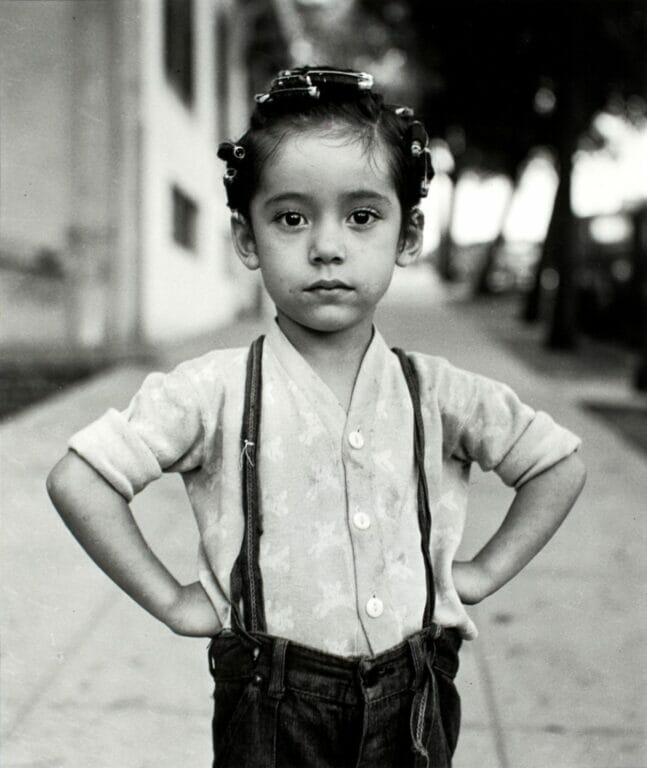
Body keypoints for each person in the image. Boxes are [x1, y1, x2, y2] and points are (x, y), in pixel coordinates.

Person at [46, 67, 586, 768]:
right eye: (290, 218)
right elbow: (79, 480)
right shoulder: (210, 390)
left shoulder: (441, 391)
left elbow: (556, 465)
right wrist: (174, 603)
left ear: (408, 232)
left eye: (361, 216)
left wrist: (479, 573)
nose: (326, 246)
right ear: (247, 239)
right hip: (271, 706)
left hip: (412, 697)